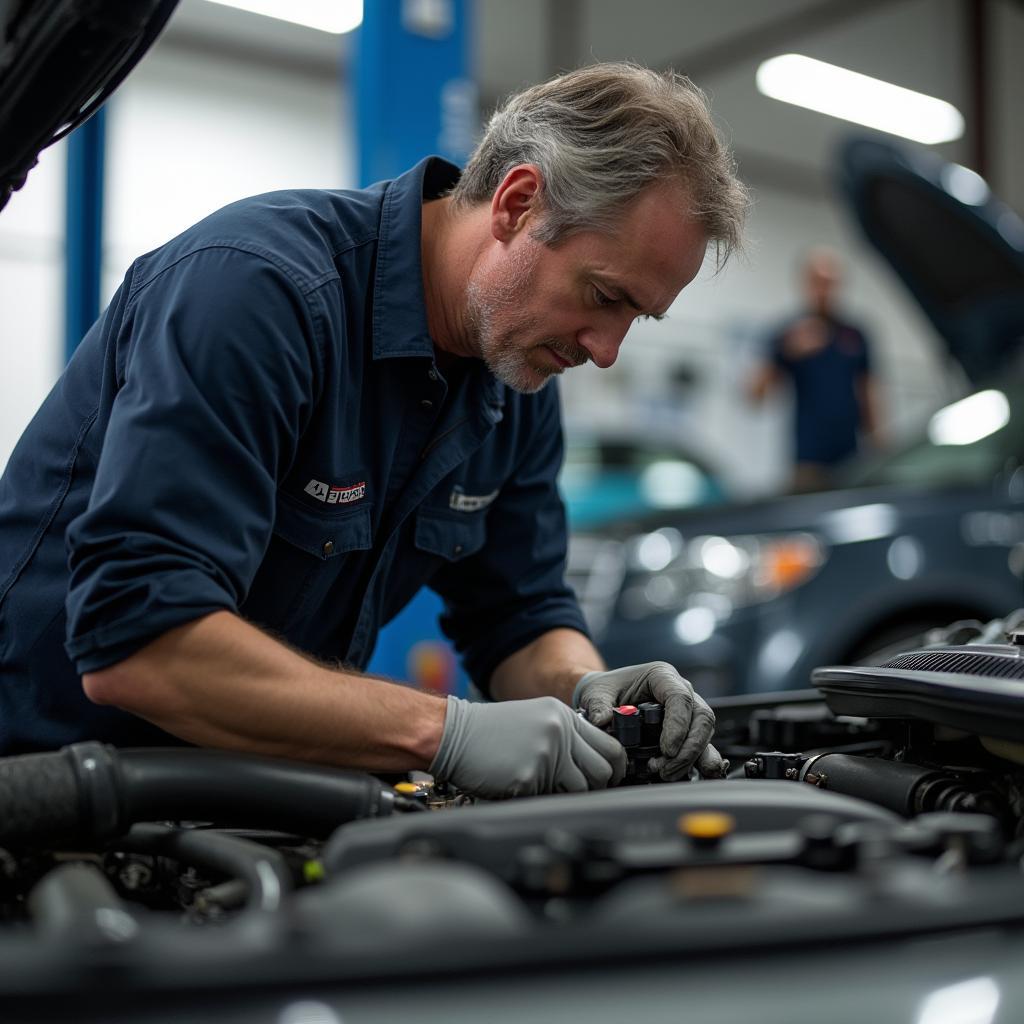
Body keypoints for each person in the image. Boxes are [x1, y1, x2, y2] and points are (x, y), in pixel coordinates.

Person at [0, 63, 748, 798]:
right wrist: (443, 731)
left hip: (243, 797)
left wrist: (584, 688)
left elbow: (518, 612)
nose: (607, 350)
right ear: (518, 204)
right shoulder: (261, 293)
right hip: (44, 787)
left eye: (636, 317)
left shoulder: (515, 377)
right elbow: (138, 642)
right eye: (603, 295)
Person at [748, 248, 883, 492]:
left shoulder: (854, 334)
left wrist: (879, 446)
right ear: (806, 283)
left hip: (851, 454)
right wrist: (785, 352)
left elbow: (868, 391)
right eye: (819, 282)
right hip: (808, 458)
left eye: (831, 283)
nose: (825, 291)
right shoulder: (788, 333)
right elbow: (755, 395)